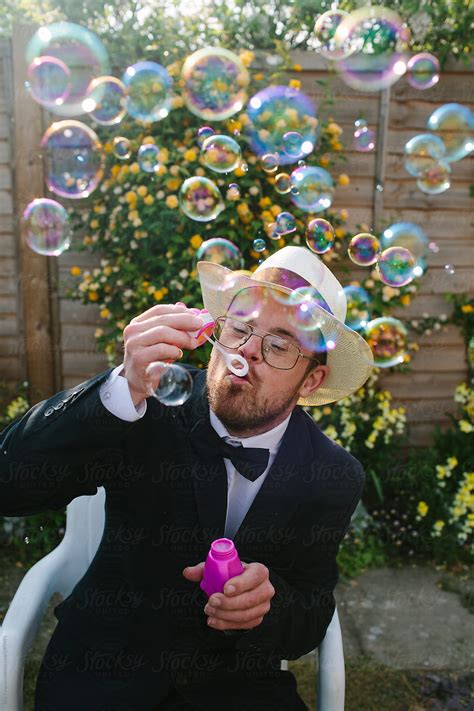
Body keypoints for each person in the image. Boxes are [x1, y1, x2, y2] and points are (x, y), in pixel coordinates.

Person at [0, 246, 373, 711]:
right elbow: (10, 483)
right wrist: (121, 387)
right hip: (106, 669)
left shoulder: (333, 475)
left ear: (312, 381)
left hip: (234, 688)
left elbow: (310, 613)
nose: (248, 350)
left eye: (278, 345)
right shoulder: (148, 404)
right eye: (240, 328)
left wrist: (268, 604)